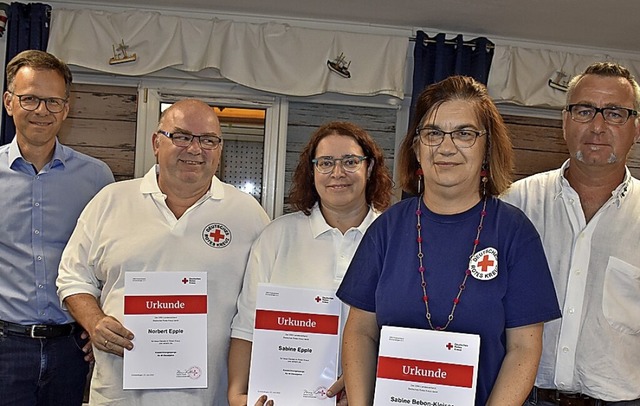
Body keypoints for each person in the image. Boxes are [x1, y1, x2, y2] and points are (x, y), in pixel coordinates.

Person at [336, 75, 562, 406]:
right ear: (416, 147)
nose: (446, 147)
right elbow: (361, 332)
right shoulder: (386, 229)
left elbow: (524, 348)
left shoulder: (515, 233)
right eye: (433, 133)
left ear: (487, 147)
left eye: (465, 133)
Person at [56, 98, 270, 405]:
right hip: (120, 394)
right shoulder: (111, 201)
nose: (195, 149)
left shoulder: (249, 214)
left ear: (220, 149)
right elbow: (72, 277)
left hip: (211, 397)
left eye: (208, 140)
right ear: (157, 142)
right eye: (181, 136)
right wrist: (95, 322)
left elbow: (265, 302)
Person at [228, 121, 394, 406]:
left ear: (369, 168)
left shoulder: (396, 236)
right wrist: (237, 395)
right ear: (312, 171)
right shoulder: (277, 236)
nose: (337, 173)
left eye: (350, 161)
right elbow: (247, 326)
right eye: (326, 162)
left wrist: (361, 384)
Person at [502, 62, 640, 405]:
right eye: (584, 110)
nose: (597, 125)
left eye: (615, 113)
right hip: (524, 397)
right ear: (564, 121)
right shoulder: (515, 203)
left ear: (636, 128)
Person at [0, 50, 114, 405]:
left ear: (66, 108)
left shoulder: (97, 179)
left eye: (52, 101)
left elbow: (106, 265)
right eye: (30, 98)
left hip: (71, 350)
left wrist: (96, 327)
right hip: (5, 348)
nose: (41, 111)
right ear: (9, 102)